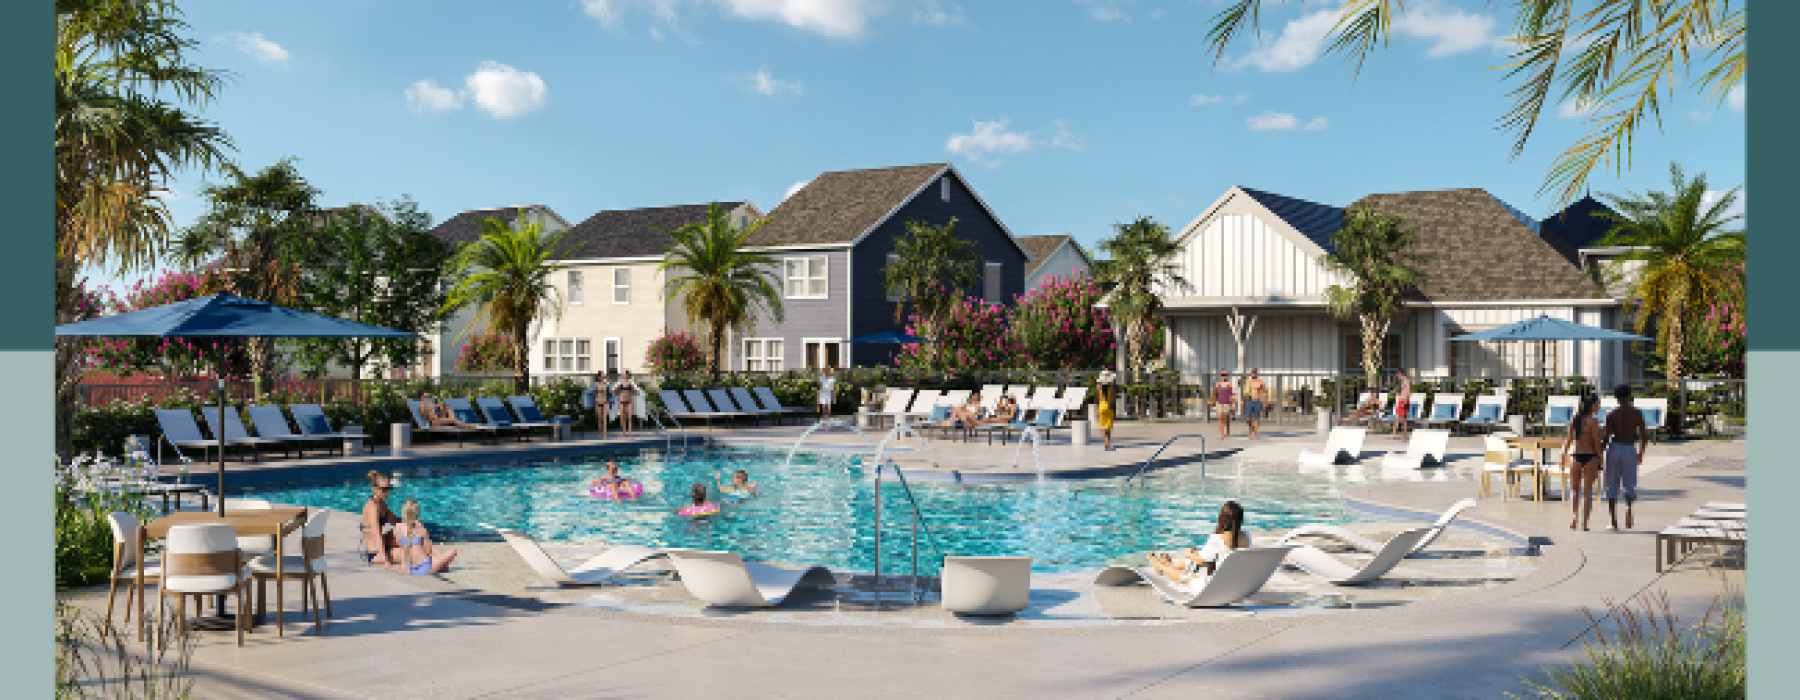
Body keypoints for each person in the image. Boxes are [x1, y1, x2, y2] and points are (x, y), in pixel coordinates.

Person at [1147, 501, 1251, 585]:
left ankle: (1160, 566)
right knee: (1194, 560)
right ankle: (1168, 564)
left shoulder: (1218, 538)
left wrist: (1188, 554)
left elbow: (1200, 560)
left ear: (1222, 518)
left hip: (1211, 583)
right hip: (1232, 581)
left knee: (1185, 573)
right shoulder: (1247, 536)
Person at [1602, 385, 1650, 531]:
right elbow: (1644, 435)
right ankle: (1628, 506)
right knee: (1629, 482)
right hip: (1629, 447)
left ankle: (1613, 522)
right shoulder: (1637, 413)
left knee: (1611, 484)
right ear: (1629, 396)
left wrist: (1599, 453)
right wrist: (1641, 452)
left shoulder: (1611, 413)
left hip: (1615, 447)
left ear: (1615, 397)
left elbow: (1606, 436)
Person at [1561, 394, 1604, 531]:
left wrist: (1563, 456)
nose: (1599, 407)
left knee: (1574, 490)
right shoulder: (1593, 421)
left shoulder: (1575, 419)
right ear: (1591, 406)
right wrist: (1601, 457)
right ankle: (1584, 524)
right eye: (1597, 404)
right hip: (1590, 456)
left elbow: (1568, 440)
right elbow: (1596, 442)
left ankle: (1574, 516)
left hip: (1575, 456)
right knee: (1587, 493)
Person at [391, 498, 458, 576]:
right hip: (425, 568)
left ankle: (442, 564)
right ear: (417, 514)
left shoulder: (397, 528)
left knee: (439, 562)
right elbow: (428, 551)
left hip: (409, 569)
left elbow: (401, 547)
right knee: (453, 551)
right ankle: (443, 564)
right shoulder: (421, 530)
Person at [361, 470, 400, 566]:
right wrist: (386, 562)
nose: (387, 492)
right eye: (384, 489)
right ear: (374, 489)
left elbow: (396, 521)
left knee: (403, 529)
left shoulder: (381, 504)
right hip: (375, 553)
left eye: (389, 488)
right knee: (410, 554)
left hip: (384, 545)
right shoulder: (372, 507)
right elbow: (376, 535)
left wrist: (413, 522)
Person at [1243, 368, 1268, 441]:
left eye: (1255, 372)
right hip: (1249, 400)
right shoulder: (1248, 381)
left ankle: (1254, 433)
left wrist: (1264, 402)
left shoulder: (1260, 381)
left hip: (1257, 400)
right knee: (1248, 419)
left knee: (1256, 418)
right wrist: (1242, 400)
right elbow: (1244, 391)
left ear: (1257, 373)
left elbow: (1264, 392)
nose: (1253, 373)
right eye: (1252, 372)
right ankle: (1251, 428)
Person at [1095, 371, 1117, 450]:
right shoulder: (1111, 388)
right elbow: (1113, 399)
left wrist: (1096, 411)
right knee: (1108, 427)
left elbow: (1097, 400)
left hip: (1101, 407)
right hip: (1109, 408)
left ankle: (1106, 441)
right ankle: (1108, 443)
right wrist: (1114, 410)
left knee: (1102, 426)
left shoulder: (1098, 387)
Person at [1389, 369, 1413, 441]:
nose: (1397, 376)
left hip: (1404, 401)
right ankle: (1393, 435)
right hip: (1401, 400)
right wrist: (1397, 392)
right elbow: (1403, 392)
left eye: (1398, 374)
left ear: (1400, 373)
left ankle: (1405, 437)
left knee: (1403, 420)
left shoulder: (1406, 381)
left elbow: (1408, 392)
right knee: (1396, 418)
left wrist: (1405, 401)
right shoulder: (1403, 381)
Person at [1212, 370, 1236, 440]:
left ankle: (1228, 431)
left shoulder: (1229, 384)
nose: (1224, 376)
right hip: (1219, 402)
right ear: (1221, 375)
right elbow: (1214, 393)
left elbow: (1231, 394)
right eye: (1223, 374)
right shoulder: (1218, 383)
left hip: (1227, 403)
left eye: (1225, 374)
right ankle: (1222, 434)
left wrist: (1233, 404)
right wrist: (1215, 390)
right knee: (1221, 417)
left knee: (1227, 418)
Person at [616, 370, 639, 438]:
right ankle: (624, 432)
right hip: (622, 402)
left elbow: (634, 391)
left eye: (625, 374)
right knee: (623, 418)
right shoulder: (620, 384)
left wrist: (637, 392)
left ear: (627, 375)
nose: (624, 375)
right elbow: (616, 392)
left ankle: (630, 433)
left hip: (629, 402)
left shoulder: (630, 384)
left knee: (630, 418)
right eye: (623, 374)